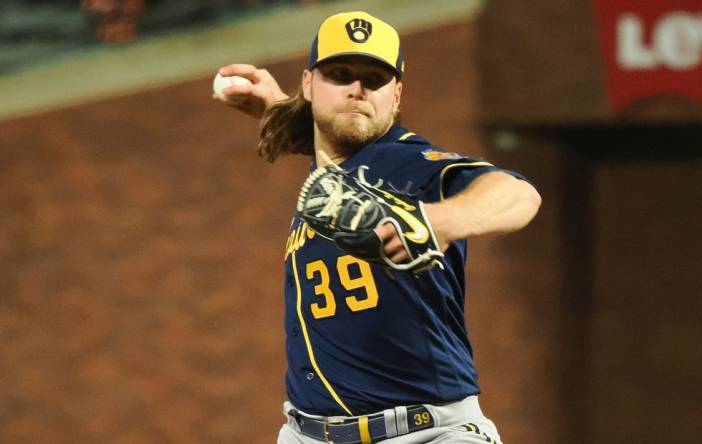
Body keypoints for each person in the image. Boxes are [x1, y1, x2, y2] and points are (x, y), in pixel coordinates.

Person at [213, 10, 541, 444]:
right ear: (308, 84)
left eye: (374, 79)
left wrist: (433, 222)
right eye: (339, 74)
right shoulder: (335, 169)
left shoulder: (407, 164)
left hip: (427, 432)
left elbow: (519, 195)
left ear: (397, 94)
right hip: (306, 434)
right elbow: (333, 149)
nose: (356, 89)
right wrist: (278, 111)